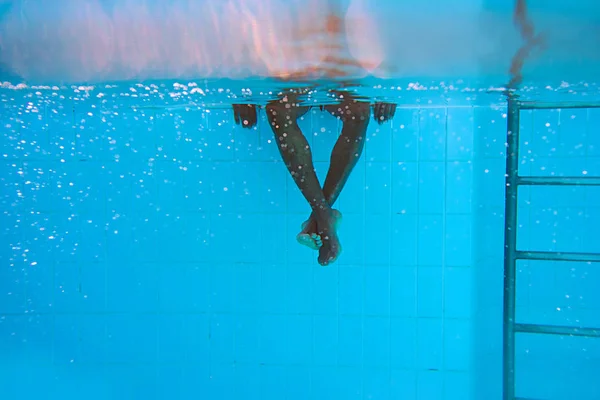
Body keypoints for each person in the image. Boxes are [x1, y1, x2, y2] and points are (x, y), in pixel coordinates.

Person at [232, 92, 396, 265]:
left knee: (359, 112)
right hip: (297, 78)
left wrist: (387, 90)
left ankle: (322, 217)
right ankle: (325, 218)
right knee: (277, 111)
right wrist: (243, 93)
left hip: (338, 77)